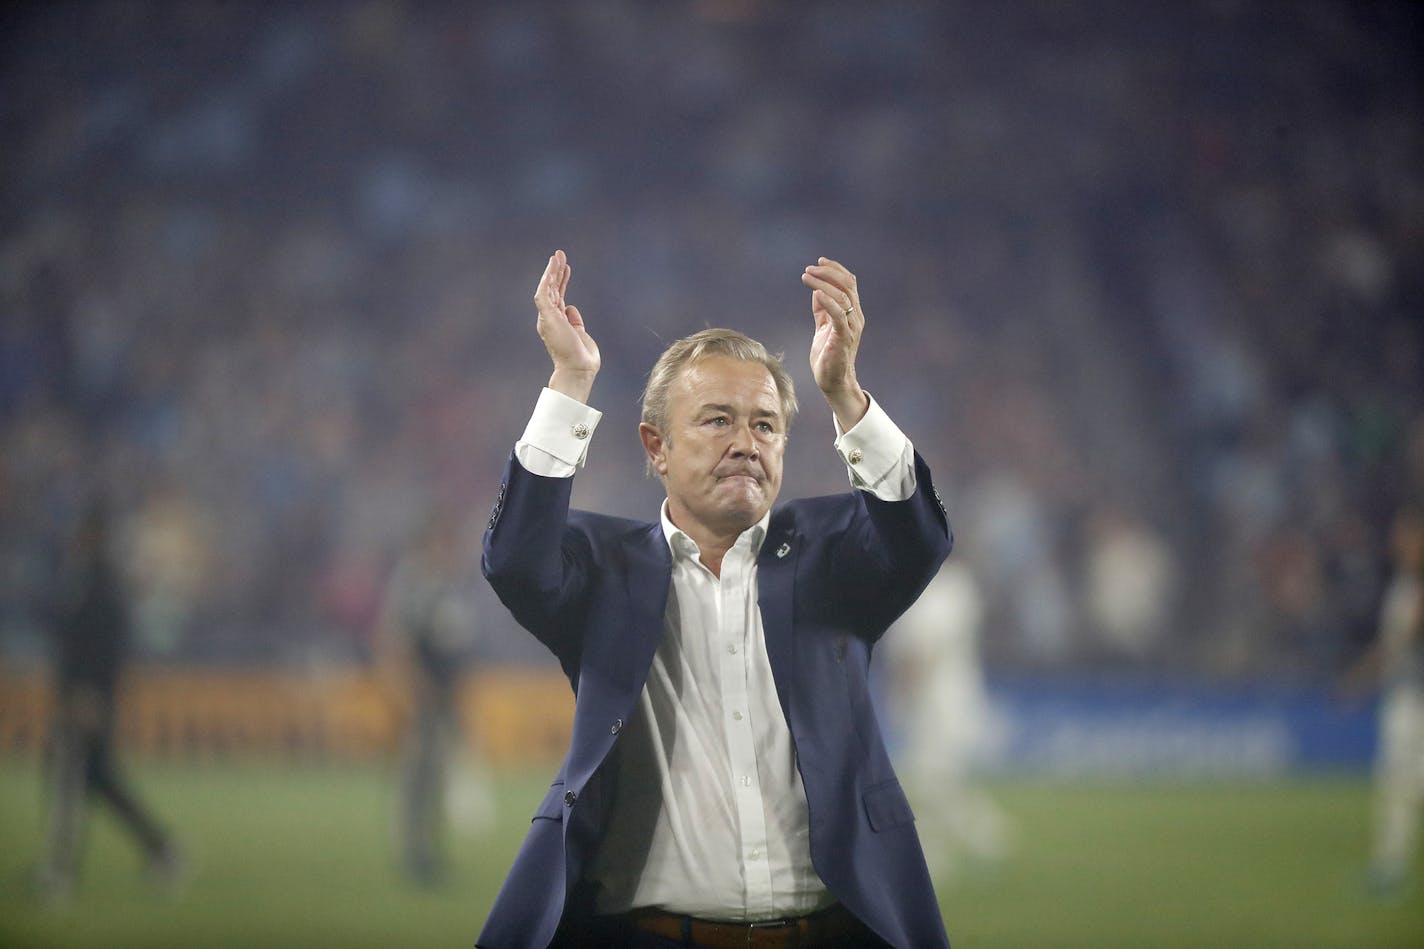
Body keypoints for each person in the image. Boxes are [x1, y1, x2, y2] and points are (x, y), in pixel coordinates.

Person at [478, 250, 953, 948]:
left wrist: (846, 393)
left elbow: (917, 541)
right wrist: (570, 379)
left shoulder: (831, 555)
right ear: (656, 446)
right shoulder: (603, 568)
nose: (745, 443)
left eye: (764, 425)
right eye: (716, 421)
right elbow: (515, 562)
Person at [34, 501, 183, 901]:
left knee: (68, 780)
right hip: (86, 696)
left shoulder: (99, 584)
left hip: (86, 699)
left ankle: (59, 873)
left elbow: (104, 648)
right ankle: (162, 848)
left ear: (92, 536)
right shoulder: (87, 579)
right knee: (99, 779)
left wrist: (88, 694)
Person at [374, 514, 492, 885]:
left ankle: (429, 850)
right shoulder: (414, 581)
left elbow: (457, 642)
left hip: (444, 694)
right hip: (423, 692)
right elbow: (397, 641)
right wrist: (409, 690)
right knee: (420, 774)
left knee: (438, 773)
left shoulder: (451, 582)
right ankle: (415, 852)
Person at [880, 559, 1012, 883]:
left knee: (930, 779)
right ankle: (970, 841)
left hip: (938, 702)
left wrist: (901, 694)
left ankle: (982, 837)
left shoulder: (938, 590)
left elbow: (922, 652)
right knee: (932, 779)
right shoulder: (952, 586)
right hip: (948, 697)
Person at [1343, 505, 1424, 895]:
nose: (1400, 543)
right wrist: (1360, 677)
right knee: (1398, 781)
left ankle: (1390, 866)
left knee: (1405, 781)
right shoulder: (1404, 585)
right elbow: (1392, 644)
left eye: (1408, 536)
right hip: (1403, 692)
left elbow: (1403, 640)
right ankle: (1389, 866)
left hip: (1416, 697)